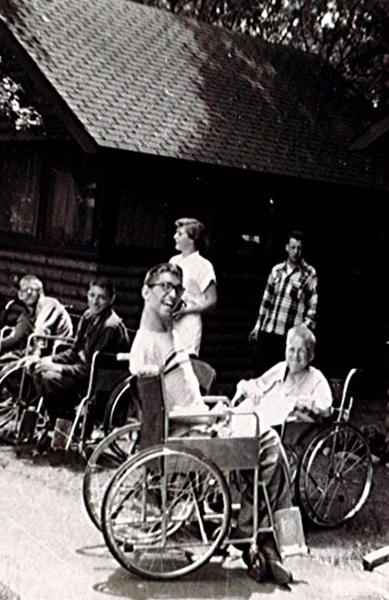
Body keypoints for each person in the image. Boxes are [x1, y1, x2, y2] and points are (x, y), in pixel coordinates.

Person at [129, 262, 293, 586]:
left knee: (263, 444)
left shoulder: (163, 335)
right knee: (269, 443)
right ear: (146, 291)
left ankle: (259, 534)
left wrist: (212, 408)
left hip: (197, 423)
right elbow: (170, 411)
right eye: (164, 286)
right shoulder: (152, 344)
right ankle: (259, 536)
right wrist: (214, 415)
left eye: (177, 288)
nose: (173, 294)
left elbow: (181, 397)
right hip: (192, 432)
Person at [0, 274, 73, 436]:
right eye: (22, 291)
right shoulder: (27, 313)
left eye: (30, 290)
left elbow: (41, 330)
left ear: (39, 291)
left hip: (53, 353)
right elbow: (15, 336)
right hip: (33, 350)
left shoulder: (49, 304)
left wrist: (35, 355)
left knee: (12, 366)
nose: (25, 295)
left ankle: (12, 410)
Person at [29, 277, 129, 419]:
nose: (95, 301)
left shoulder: (110, 327)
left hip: (98, 381)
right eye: (92, 295)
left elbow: (91, 368)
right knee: (38, 370)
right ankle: (56, 418)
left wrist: (58, 368)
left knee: (49, 378)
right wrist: (50, 360)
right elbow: (74, 351)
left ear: (111, 300)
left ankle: (66, 418)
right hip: (81, 372)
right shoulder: (88, 316)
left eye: (101, 298)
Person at [234, 324, 333, 429]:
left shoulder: (316, 377)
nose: (295, 356)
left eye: (302, 351)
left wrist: (301, 403)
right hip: (267, 424)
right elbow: (256, 384)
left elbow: (326, 409)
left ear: (311, 355)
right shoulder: (282, 368)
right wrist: (249, 387)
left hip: (293, 431)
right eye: (291, 349)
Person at [249, 230, 318, 375]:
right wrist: (258, 326)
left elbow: (313, 306)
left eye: (299, 248)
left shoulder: (309, 273)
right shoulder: (277, 270)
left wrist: (303, 329)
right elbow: (266, 300)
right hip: (270, 329)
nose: (296, 252)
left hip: (289, 335)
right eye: (293, 247)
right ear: (287, 247)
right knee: (263, 373)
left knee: (285, 374)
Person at [168, 217, 216, 357]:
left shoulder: (203, 265)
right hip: (171, 323)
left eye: (180, 234)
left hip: (188, 325)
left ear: (192, 239)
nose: (175, 237)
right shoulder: (174, 261)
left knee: (184, 364)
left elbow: (211, 300)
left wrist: (186, 310)